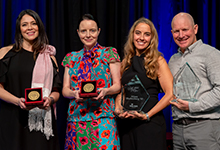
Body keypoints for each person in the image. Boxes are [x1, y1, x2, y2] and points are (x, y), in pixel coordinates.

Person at [0, 9, 61, 150]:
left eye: (33, 23)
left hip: (42, 124)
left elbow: (56, 90)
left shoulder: (49, 56)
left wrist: (50, 100)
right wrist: (18, 101)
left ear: (39, 26)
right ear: (19, 29)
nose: (30, 28)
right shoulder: (5, 54)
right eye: (25, 24)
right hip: (13, 121)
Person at [61, 14, 121, 150]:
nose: (88, 35)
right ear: (78, 32)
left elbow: (117, 85)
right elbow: (65, 90)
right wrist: (74, 93)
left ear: (99, 31)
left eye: (92, 30)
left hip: (103, 117)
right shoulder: (71, 57)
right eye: (83, 31)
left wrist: (105, 90)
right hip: (76, 118)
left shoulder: (109, 53)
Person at [114, 17, 173, 150]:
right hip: (127, 125)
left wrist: (147, 115)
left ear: (152, 38)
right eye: (138, 33)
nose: (141, 37)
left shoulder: (158, 61)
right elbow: (122, 93)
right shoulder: (125, 63)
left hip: (150, 125)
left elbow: (170, 94)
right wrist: (118, 109)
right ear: (132, 35)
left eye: (147, 34)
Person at [168, 12, 220, 150]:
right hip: (178, 130)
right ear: (172, 33)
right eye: (176, 31)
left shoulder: (210, 54)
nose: (181, 35)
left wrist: (192, 106)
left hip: (205, 127)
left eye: (185, 29)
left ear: (195, 29)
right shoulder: (172, 60)